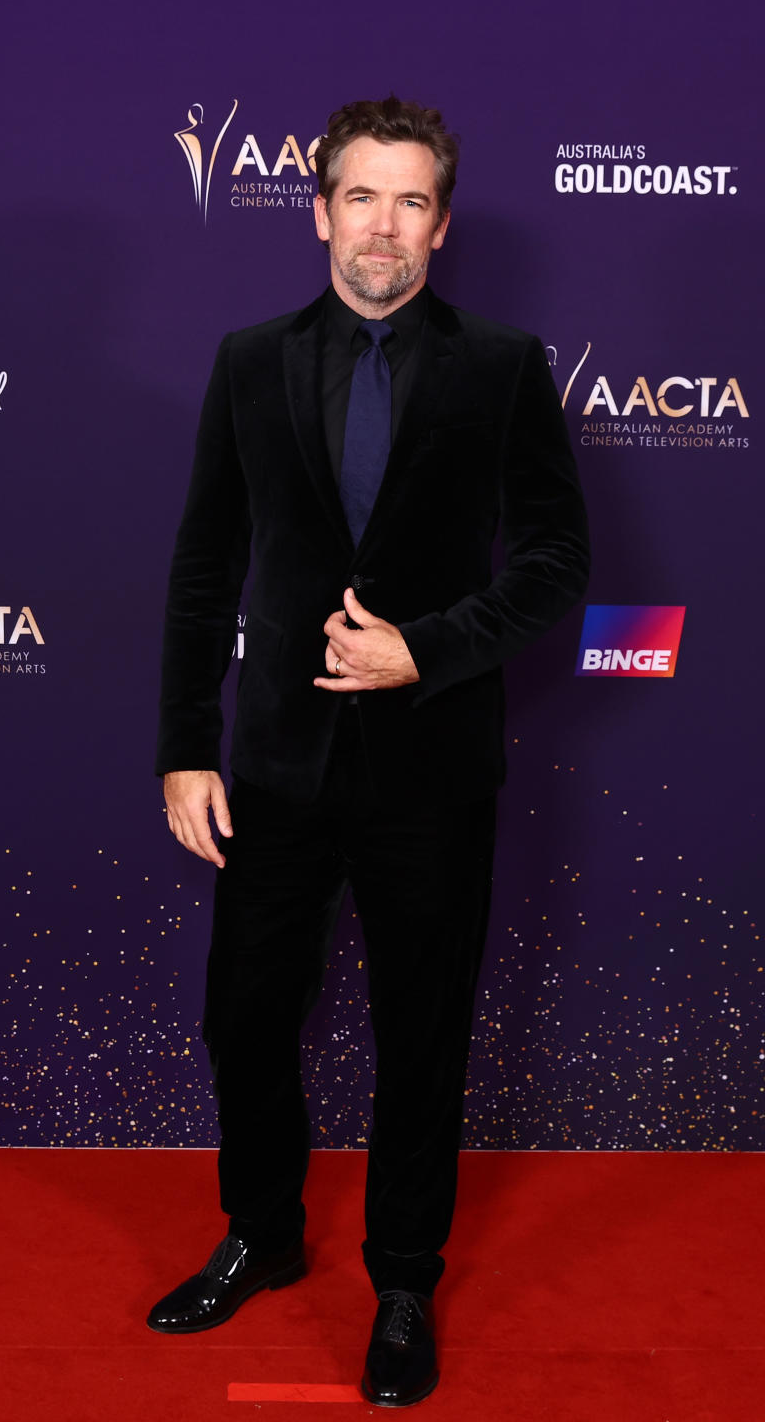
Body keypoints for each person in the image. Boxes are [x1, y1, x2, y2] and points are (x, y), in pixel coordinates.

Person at [149, 96, 589, 1408]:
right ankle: (262, 1239)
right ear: (320, 208)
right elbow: (201, 569)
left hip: (433, 771)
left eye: (410, 201)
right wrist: (187, 746)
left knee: (422, 1033)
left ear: (442, 223)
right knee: (246, 1019)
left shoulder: (506, 365)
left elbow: (561, 563)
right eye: (360, 196)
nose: (383, 225)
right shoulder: (246, 361)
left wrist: (426, 649)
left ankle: (403, 1281)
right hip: (275, 767)